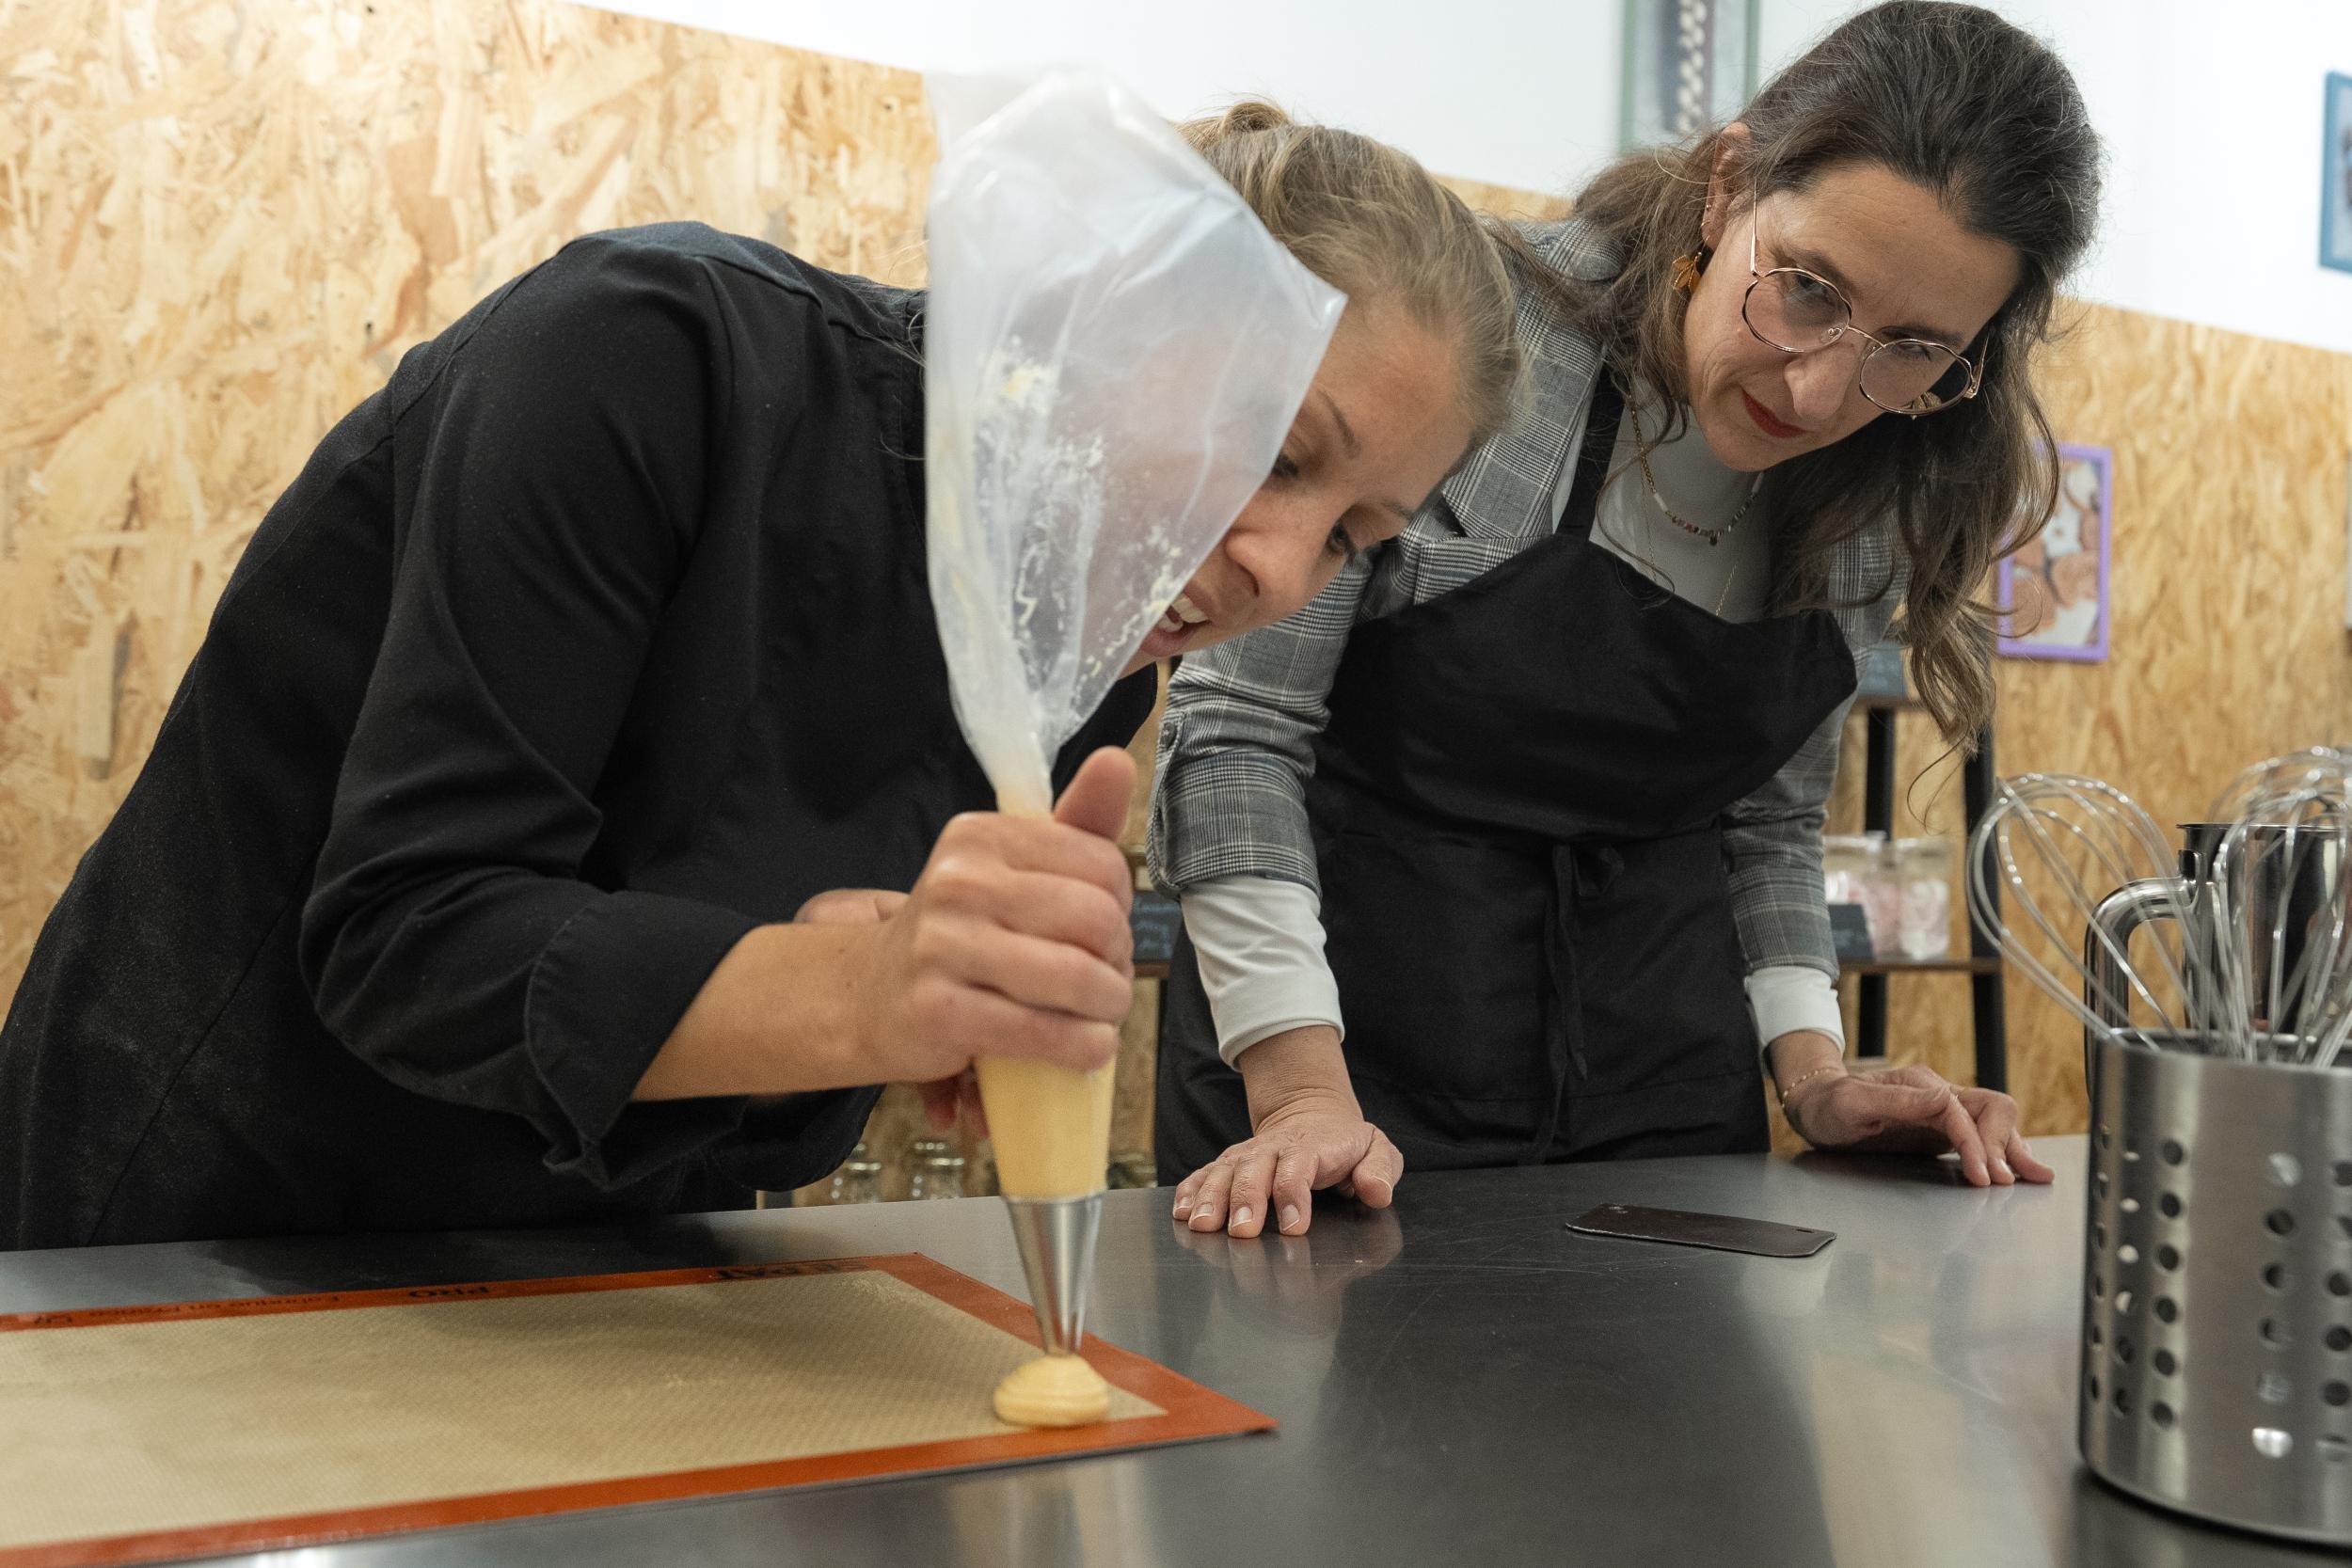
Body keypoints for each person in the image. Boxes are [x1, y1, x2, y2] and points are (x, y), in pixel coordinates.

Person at [0, 104, 1525, 1250]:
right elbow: (408, 939)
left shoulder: (1088, 657)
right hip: (220, 1213)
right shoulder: (644, 357)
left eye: (1354, 539)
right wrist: (851, 992)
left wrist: (889, 1010)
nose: (1279, 570)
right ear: (1118, 311)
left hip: (599, 1274)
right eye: (1275, 449)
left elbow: (775, 1001)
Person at [1152, 2, 2104, 1237]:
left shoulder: (1887, 474)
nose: (1823, 390)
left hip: (1665, 1117)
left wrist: (1816, 1075)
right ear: (1728, 187)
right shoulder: (1478, 344)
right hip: (1336, 1089)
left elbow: (1766, 819)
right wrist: (1298, 1100)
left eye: (1914, 346)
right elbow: (1240, 731)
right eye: (1807, 289)